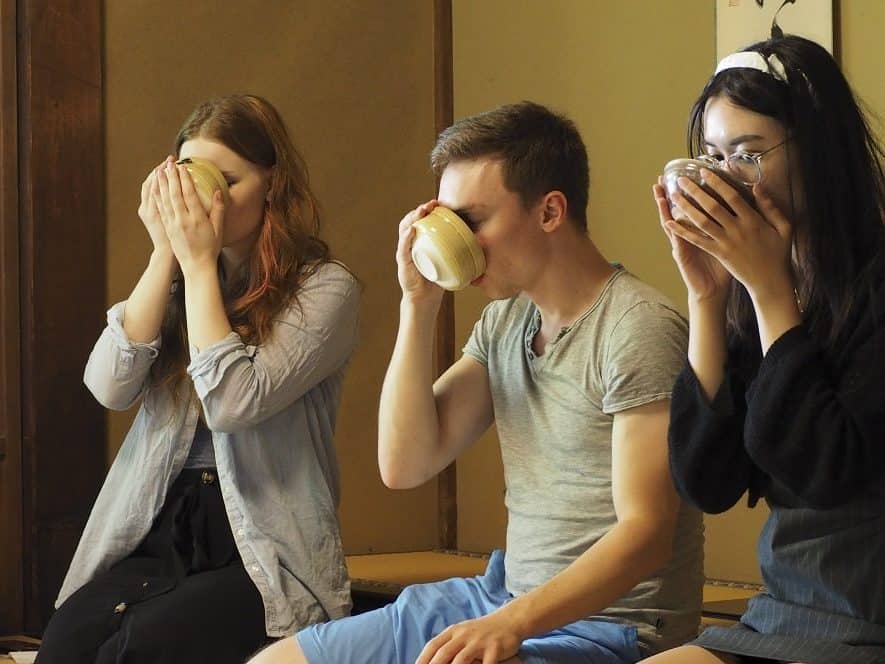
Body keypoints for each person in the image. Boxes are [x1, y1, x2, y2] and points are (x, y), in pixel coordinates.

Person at [251, 101, 703, 664]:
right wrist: (418, 304)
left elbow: (647, 533)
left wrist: (511, 625)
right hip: (502, 596)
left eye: (472, 222)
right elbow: (405, 464)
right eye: (449, 223)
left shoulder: (637, 327)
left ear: (550, 212)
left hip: (609, 628)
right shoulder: (507, 321)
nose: (458, 242)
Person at [36, 94, 360, 664]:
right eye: (193, 180)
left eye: (228, 181)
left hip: (261, 542)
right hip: (162, 518)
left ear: (272, 185)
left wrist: (197, 264)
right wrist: (166, 252)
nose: (207, 201)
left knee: (138, 650)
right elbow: (108, 387)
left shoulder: (325, 288)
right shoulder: (180, 281)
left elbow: (233, 404)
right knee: (65, 645)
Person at [645, 35, 885, 664]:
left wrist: (769, 290)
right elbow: (707, 484)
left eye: (749, 154)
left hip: (868, 621)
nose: (726, 179)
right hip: (779, 612)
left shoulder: (872, 283)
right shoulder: (758, 287)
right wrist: (706, 296)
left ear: (817, 153)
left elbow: (829, 471)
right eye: (713, 156)